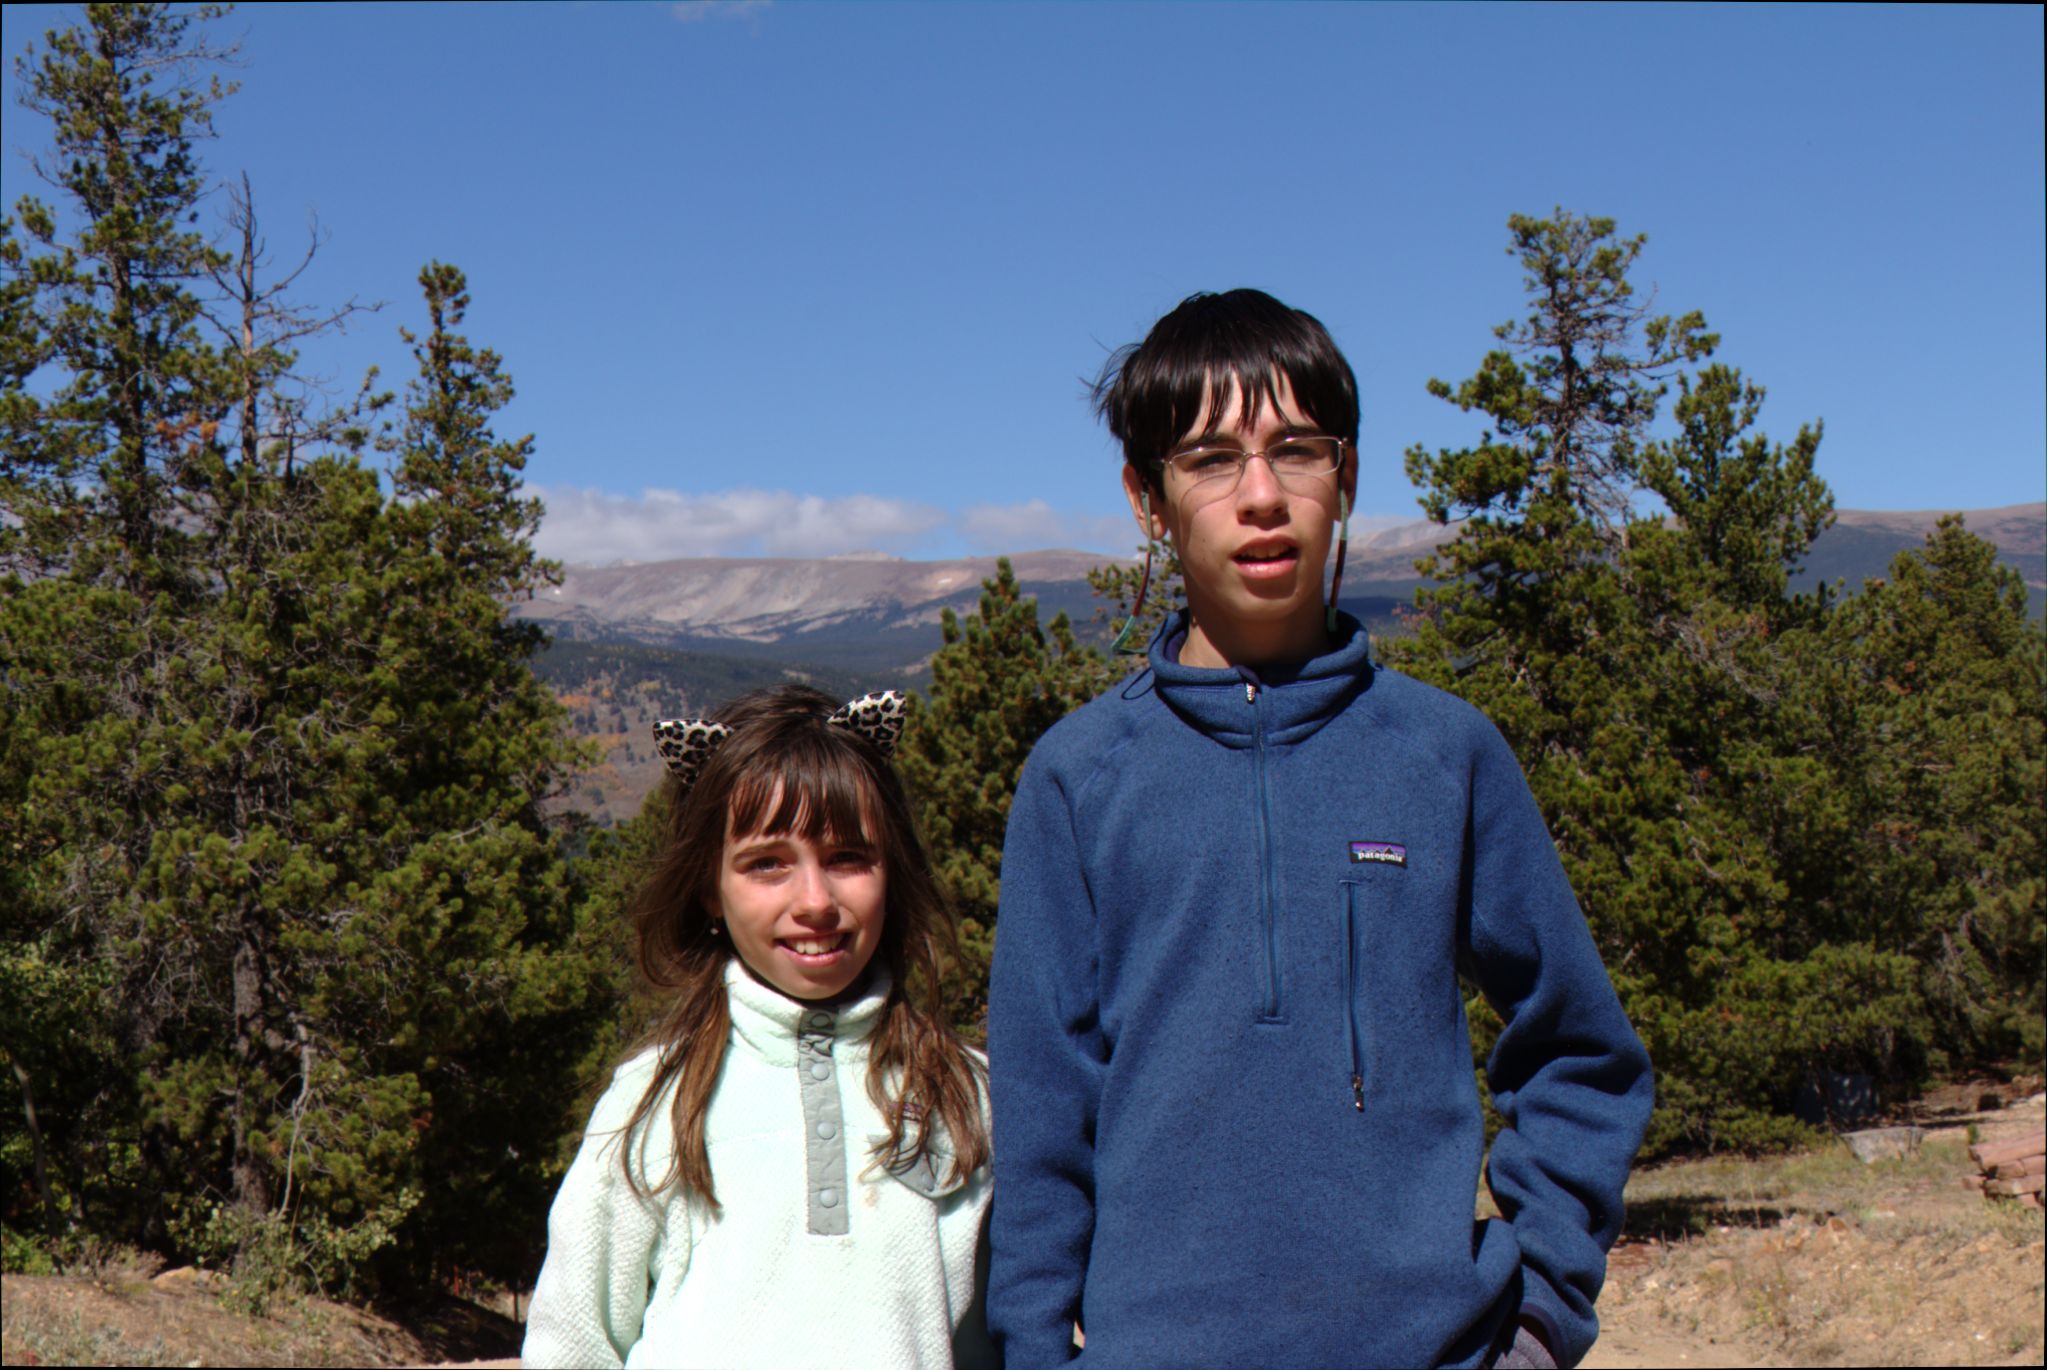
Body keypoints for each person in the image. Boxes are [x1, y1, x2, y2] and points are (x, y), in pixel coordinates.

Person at [986, 289, 1654, 1369]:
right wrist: (1031, 1348)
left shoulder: (1445, 755)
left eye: (1294, 450)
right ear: (1146, 499)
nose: (1260, 495)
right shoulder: (1077, 779)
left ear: (1344, 475)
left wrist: (1538, 1323)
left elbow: (1579, 1050)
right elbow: (1039, 1109)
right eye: (1208, 458)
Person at [523, 685, 994, 1370]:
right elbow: (573, 1343)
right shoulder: (651, 1101)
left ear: (892, 873)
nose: (814, 901)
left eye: (848, 858)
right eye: (766, 863)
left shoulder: (966, 1095)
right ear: (709, 888)